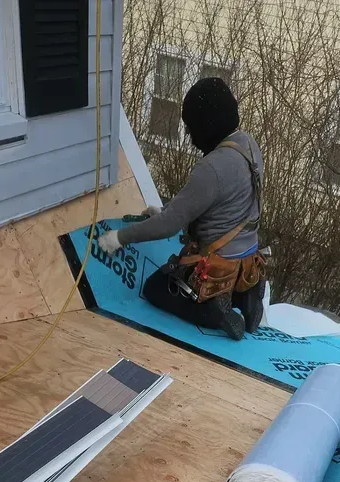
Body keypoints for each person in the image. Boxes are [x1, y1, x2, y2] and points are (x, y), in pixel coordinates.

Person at [98, 77, 265, 340]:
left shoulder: (211, 168)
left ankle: (212, 310)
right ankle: (246, 294)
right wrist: (167, 211)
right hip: (246, 257)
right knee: (225, 265)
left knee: (155, 288)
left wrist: (119, 238)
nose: (189, 137)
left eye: (191, 128)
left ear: (206, 126)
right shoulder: (248, 145)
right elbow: (219, 204)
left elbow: (169, 226)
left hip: (216, 266)